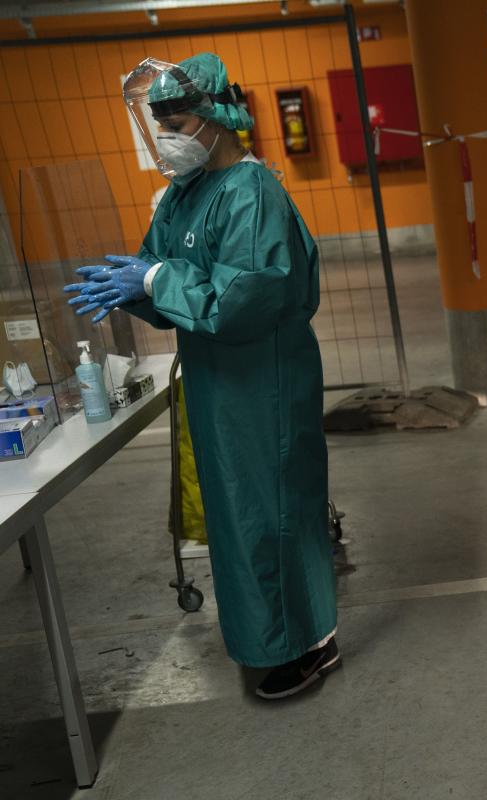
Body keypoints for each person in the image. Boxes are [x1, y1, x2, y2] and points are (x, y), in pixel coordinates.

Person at [64, 54, 339, 700]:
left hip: (262, 386)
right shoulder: (185, 196)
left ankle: (307, 644)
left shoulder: (254, 194)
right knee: (239, 515)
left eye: (176, 121)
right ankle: (267, 639)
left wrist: (157, 279)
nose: (165, 137)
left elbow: (246, 295)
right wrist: (130, 286)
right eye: (157, 123)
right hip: (219, 392)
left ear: (215, 118)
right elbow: (159, 273)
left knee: (275, 511)